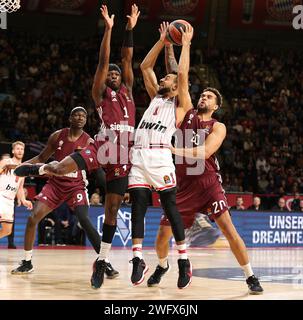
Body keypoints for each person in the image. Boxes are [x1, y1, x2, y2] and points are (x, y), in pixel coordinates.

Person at [14, 4, 140, 289]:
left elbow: (127, 57)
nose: (114, 75)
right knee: (59, 166)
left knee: (110, 211)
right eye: (111, 74)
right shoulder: (99, 95)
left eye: (117, 74)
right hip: (103, 148)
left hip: (122, 157)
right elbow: (104, 61)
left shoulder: (130, 92)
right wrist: (108, 29)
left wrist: (130, 27)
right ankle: (40, 169)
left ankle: (102, 262)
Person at [147, 26, 263, 294]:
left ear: (216, 106)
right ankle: (163, 265)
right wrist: (170, 45)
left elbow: (205, 153)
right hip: (183, 185)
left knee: (229, 230)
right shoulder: (186, 111)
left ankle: (250, 276)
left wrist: (174, 151)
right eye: (203, 94)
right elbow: (181, 76)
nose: (203, 97)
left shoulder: (218, 126)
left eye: (209, 97)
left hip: (208, 183)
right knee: (161, 237)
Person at [10, 107, 118, 280]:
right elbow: (41, 158)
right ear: (70, 118)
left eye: (84, 115)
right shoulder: (57, 136)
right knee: (32, 218)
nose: (80, 117)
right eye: (76, 114)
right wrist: (19, 167)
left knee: (84, 219)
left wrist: (112, 189)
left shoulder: (89, 142)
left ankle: (104, 261)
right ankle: (27, 262)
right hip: (55, 184)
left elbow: (97, 171)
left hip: (76, 186)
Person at [127, 22, 193, 289]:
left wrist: (185, 45)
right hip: (139, 157)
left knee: (170, 208)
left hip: (160, 158)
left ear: (177, 87)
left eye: (169, 78)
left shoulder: (181, 103)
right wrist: (164, 40)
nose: (164, 78)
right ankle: (137, 258)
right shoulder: (156, 96)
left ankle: (184, 261)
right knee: (138, 207)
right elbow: (144, 67)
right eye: (164, 77)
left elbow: (183, 73)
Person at [0, 142, 33, 243]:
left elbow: (20, 188)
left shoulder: (24, 168)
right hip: (1, 195)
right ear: (13, 151)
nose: (20, 151)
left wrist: (24, 200)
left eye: (22, 149)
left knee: (7, 230)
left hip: (9, 201)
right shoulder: (5, 161)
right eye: (17, 149)